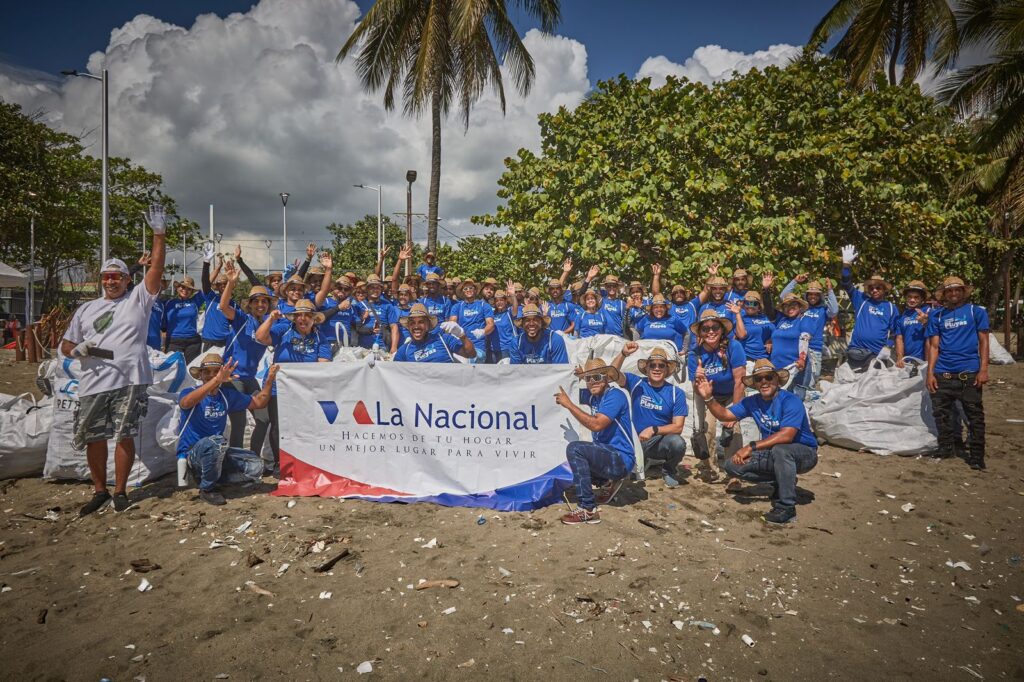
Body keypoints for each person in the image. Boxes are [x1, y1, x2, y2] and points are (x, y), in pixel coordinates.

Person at [60, 204, 167, 516]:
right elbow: (66, 343)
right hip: (93, 382)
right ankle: (99, 491)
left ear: (125, 279)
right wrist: (76, 351)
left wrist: (159, 235)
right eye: (107, 277)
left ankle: (120, 491)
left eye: (117, 277)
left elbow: (156, 269)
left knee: (123, 435)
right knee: (94, 438)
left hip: (129, 379)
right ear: (101, 280)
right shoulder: (86, 310)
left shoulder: (138, 300)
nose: (111, 282)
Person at [696, 359, 819, 525]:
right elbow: (725, 415)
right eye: (759, 379)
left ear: (777, 380)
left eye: (768, 377)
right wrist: (709, 398)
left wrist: (751, 446)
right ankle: (782, 480)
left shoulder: (791, 400)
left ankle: (787, 507)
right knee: (732, 466)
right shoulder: (752, 402)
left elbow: (787, 435)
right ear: (754, 384)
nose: (764, 382)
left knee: (781, 450)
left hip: (805, 454)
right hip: (776, 454)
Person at [177, 355, 279, 506]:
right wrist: (217, 380)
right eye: (207, 372)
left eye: (216, 371)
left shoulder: (226, 396)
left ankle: (215, 477)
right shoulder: (189, 392)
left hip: (218, 453)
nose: (212, 375)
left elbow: (259, 402)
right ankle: (207, 489)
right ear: (201, 375)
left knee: (256, 464)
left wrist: (270, 378)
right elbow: (186, 403)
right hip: (194, 453)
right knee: (216, 443)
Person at [255, 299, 333, 474]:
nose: (303, 319)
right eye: (299, 316)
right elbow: (260, 337)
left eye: (307, 316)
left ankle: (303, 460)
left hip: (306, 390)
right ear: (294, 318)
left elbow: (324, 363)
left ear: (314, 318)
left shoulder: (321, 338)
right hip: (278, 387)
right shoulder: (283, 330)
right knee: (277, 425)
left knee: (304, 426)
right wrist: (270, 320)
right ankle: (278, 462)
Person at [555, 358, 635, 525]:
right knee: (575, 472)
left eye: (597, 377)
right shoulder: (594, 397)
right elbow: (568, 389)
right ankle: (606, 482)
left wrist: (569, 405)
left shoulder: (615, 396)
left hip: (620, 458)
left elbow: (596, 425)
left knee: (575, 449)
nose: (592, 382)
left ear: (606, 378)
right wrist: (572, 376)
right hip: (609, 454)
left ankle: (588, 509)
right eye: (588, 378)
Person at [926, 276, 990, 470]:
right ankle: (946, 448)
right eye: (949, 291)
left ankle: (977, 455)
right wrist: (930, 373)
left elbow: (984, 342)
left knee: (974, 416)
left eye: (957, 290)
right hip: (942, 373)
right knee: (941, 414)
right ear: (944, 295)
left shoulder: (975, 312)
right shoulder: (936, 316)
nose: (953, 294)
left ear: (963, 292)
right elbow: (934, 347)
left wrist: (984, 369)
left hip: (968, 373)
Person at [217, 263, 276, 468]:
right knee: (239, 423)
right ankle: (235, 466)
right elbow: (223, 307)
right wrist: (231, 283)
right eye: (256, 301)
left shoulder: (267, 325)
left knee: (263, 419)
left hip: (250, 378)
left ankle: (250, 459)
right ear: (249, 304)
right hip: (233, 378)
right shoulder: (242, 318)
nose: (260, 304)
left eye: (264, 301)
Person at [611, 344, 688, 487]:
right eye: (652, 365)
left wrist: (653, 429)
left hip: (658, 442)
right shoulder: (637, 383)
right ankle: (641, 461)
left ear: (667, 369)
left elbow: (678, 427)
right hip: (635, 442)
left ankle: (668, 471)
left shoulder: (676, 393)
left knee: (678, 443)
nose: (657, 368)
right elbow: (612, 374)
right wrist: (623, 353)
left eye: (661, 365)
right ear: (646, 368)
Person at [687, 309, 746, 484]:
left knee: (733, 429)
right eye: (705, 329)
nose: (710, 331)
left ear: (721, 330)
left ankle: (734, 473)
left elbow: (739, 382)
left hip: (730, 395)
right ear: (700, 333)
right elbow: (698, 391)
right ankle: (710, 469)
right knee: (708, 429)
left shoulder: (734, 347)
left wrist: (734, 413)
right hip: (709, 397)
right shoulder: (694, 354)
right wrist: (698, 381)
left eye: (714, 327)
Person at [839, 244, 899, 371]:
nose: (874, 290)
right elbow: (846, 283)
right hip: (857, 352)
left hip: (877, 355)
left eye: (878, 287)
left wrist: (888, 346)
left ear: (884, 290)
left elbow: (896, 331)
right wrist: (846, 265)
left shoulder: (891, 307)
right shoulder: (861, 300)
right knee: (852, 388)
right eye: (871, 288)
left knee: (874, 390)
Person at [780, 274, 837, 390]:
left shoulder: (823, 310)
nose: (813, 297)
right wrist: (795, 281)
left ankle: (807, 405)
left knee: (810, 381)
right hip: (798, 349)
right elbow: (783, 297)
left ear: (820, 296)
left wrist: (830, 290)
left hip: (814, 349)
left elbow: (834, 310)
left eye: (816, 294)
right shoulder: (801, 307)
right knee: (793, 380)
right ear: (806, 295)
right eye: (810, 294)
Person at [393, 303, 475, 362]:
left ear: (428, 325)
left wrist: (462, 336)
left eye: (421, 322)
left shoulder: (444, 339)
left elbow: (471, 355)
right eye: (412, 323)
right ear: (408, 326)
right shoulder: (404, 350)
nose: (416, 326)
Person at [770, 293, 812, 398]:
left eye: (793, 304)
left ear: (799, 306)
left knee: (795, 401)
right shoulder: (782, 320)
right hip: (777, 367)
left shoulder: (804, 320)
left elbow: (804, 337)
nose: (789, 308)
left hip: (795, 368)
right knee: (777, 400)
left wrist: (802, 358)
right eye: (786, 305)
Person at [448, 279, 494, 362]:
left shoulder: (484, 305)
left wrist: (483, 331)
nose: (468, 290)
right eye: (465, 289)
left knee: (470, 362)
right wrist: (452, 328)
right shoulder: (456, 307)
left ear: (475, 290)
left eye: (471, 288)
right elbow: (452, 322)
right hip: (462, 346)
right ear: (462, 292)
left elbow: (491, 324)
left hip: (479, 347)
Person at [162, 275, 204, 362]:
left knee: (191, 370)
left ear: (192, 292)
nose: (185, 290)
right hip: (173, 341)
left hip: (192, 342)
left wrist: (207, 264)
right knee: (173, 369)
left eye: (189, 289)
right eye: (183, 287)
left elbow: (207, 284)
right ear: (177, 288)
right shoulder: (168, 303)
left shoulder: (195, 301)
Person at [892, 280, 931, 367]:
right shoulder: (902, 317)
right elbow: (899, 338)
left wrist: (926, 323)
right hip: (907, 362)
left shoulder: (928, 312)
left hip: (924, 361)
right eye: (909, 297)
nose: (912, 300)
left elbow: (935, 335)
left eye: (916, 297)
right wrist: (899, 358)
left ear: (922, 299)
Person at [738, 291, 774, 361]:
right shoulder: (740, 318)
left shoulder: (766, 317)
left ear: (759, 306)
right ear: (743, 305)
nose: (750, 306)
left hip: (767, 358)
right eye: (747, 303)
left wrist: (771, 340)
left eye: (754, 303)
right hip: (749, 359)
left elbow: (776, 332)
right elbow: (740, 336)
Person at [488, 284, 520, 362]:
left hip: (508, 349)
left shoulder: (509, 312)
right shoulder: (492, 314)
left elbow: (515, 307)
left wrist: (512, 295)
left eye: (501, 300)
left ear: (506, 301)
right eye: (497, 301)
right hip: (494, 350)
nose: (499, 302)